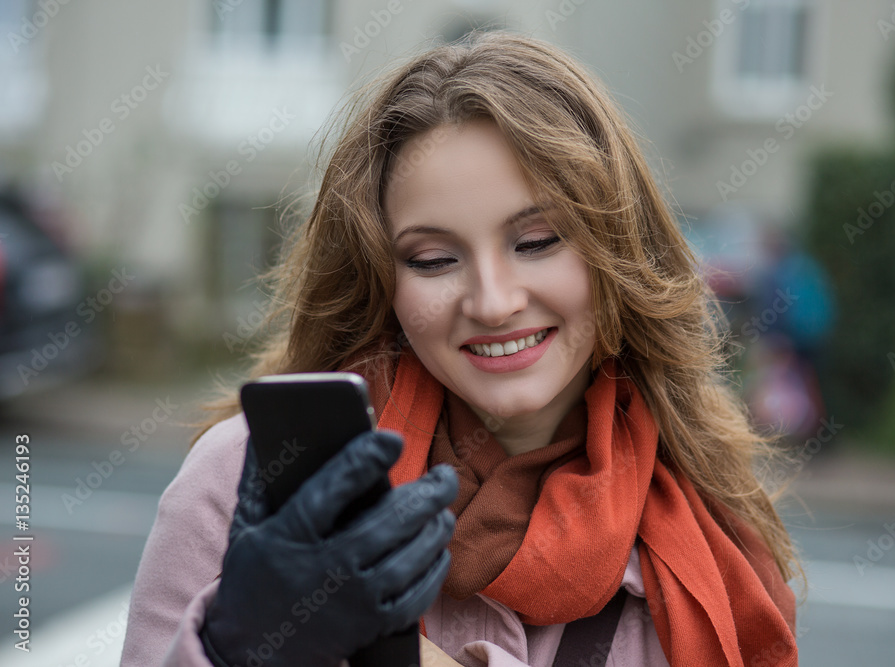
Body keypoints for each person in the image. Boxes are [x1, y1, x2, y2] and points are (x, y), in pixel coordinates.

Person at [122, 30, 801, 667]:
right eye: (434, 259)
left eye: (536, 242)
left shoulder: (717, 548)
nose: (493, 301)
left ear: (617, 251)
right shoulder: (246, 483)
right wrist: (232, 646)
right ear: (381, 282)